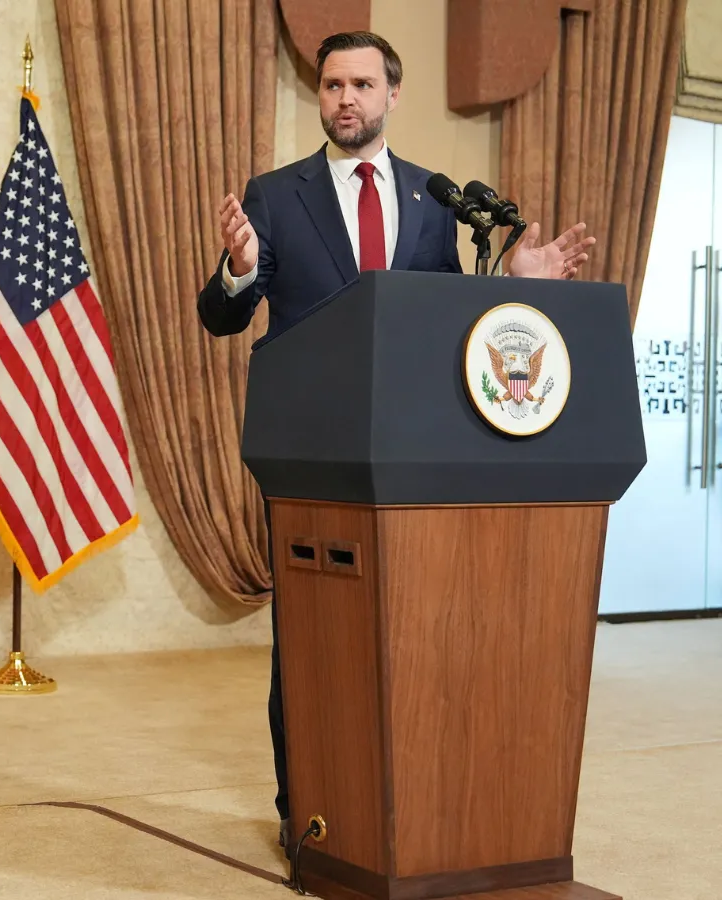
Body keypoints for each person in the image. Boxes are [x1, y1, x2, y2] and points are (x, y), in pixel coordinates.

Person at [196, 31, 596, 850]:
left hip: (409, 455)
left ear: (392, 95)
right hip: (310, 451)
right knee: (309, 638)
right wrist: (238, 267)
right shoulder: (274, 194)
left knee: (414, 633)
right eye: (334, 84)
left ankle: (406, 798)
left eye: (363, 84)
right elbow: (222, 316)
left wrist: (516, 287)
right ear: (321, 97)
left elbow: (441, 322)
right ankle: (304, 803)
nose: (347, 97)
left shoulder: (430, 198)